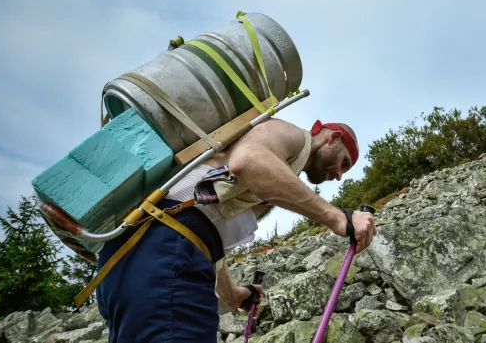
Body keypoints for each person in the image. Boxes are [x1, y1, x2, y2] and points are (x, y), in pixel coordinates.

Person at [94, 118, 377, 342]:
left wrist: (230, 294)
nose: (338, 175)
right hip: (165, 252)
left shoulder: (277, 176)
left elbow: (206, 226)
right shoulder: (291, 134)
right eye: (343, 163)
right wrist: (338, 218)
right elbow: (249, 161)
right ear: (333, 137)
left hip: (133, 261)